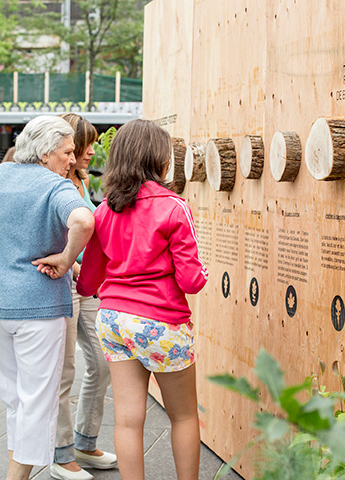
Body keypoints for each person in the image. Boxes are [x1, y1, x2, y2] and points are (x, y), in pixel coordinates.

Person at [0, 116, 95, 480]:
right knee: (36, 401)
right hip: (38, 307)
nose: (72, 160)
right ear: (45, 153)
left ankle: (17, 473)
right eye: (66, 152)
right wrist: (65, 260)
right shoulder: (55, 186)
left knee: (15, 399)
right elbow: (84, 222)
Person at [74, 119, 209, 480]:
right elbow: (192, 281)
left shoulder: (104, 211)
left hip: (114, 319)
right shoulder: (174, 207)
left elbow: (88, 283)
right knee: (182, 415)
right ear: (157, 159)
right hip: (162, 322)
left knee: (128, 421)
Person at [50, 113, 115, 480]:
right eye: (84, 144)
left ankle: (85, 442)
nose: (90, 151)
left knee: (103, 364)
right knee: (64, 372)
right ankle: (60, 455)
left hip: (87, 282)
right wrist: (73, 264)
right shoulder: (53, 181)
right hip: (64, 282)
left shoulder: (79, 180)